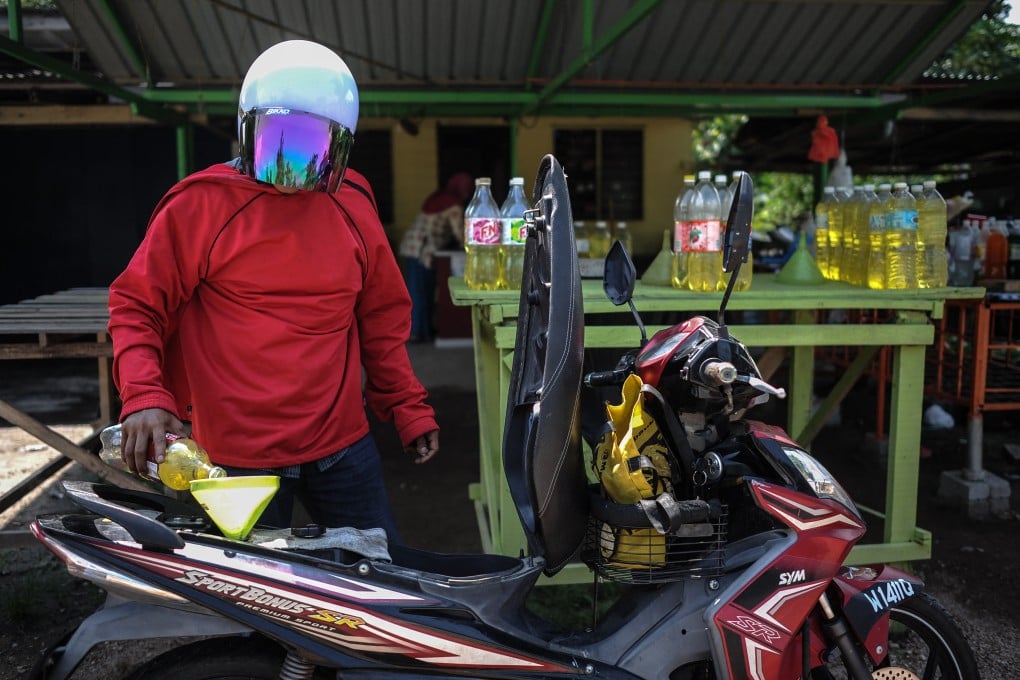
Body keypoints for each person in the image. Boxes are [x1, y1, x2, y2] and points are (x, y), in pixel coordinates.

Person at [106, 39, 439, 543]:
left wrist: (408, 407)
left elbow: (382, 319)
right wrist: (145, 396)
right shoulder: (200, 207)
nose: (294, 172)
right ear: (245, 128)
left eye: (315, 154)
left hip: (342, 448)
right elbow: (137, 305)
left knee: (379, 582)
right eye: (279, 145)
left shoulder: (353, 206)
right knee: (255, 602)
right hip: (234, 461)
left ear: (342, 148)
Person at [398, 172, 474, 342]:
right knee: (421, 292)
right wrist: (470, 249)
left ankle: (422, 331)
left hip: (413, 248)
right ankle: (417, 333)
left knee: (419, 291)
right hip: (422, 250)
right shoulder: (453, 205)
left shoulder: (438, 197)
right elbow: (459, 234)